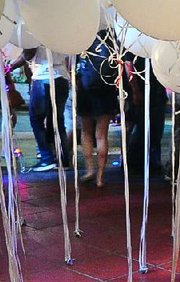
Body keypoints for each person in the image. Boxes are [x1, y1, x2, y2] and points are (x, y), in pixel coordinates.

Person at [9, 46, 69, 172]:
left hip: (43, 77)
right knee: (57, 120)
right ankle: (63, 159)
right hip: (62, 77)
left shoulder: (34, 30)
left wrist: (11, 66)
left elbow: (29, 53)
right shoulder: (60, 28)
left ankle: (46, 158)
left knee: (36, 119)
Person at [76, 29, 119, 188]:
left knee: (86, 132)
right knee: (102, 135)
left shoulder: (83, 38)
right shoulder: (112, 40)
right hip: (106, 90)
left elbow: (74, 67)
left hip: (86, 90)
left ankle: (89, 170)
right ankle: (100, 177)